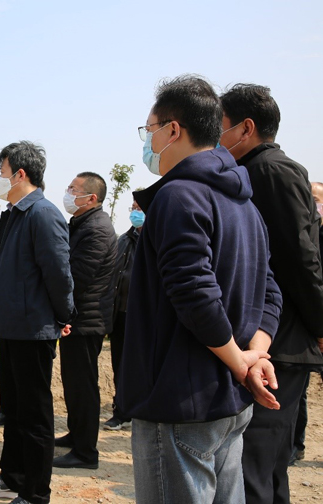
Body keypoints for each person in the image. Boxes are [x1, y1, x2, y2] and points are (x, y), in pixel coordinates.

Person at [117, 75, 282, 504]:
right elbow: (270, 291)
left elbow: (194, 294)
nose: (148, 142)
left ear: (173, 129)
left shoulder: (178, 195)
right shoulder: (244, 203)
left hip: (180, 401)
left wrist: (243, 363)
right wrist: (255, 355)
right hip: (229, 399)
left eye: (149, 130)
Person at [219, 84, 323, 504]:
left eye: (220, 125)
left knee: (255, 466)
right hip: (270, 338)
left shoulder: (271, 172)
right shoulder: (254, 170)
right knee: (265, 465)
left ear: (246, 128)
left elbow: (300, 258)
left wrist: (320, 325)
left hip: (278, 342)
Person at [0, 141, 75, 504]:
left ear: (19, 174)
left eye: (2, 172)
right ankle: (12, 477)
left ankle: (35, 493)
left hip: (32, 329)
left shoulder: (42, 214)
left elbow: (59, 273)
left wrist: (64, 315)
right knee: (13, 411)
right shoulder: (14, 213)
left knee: (34, 416)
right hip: (12, 326)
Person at [53, 172, 116, 470]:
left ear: (91, 198)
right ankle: (76, 435)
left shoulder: (98, 228)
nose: (68, 193)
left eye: (73, 189)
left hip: (87, 320)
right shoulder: (81, 223)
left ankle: (86, 452)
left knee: (83, 386)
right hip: (78, 318)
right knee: (74, 383)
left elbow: (77, 276)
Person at [101, 196, 143, 431]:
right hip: (121, 314)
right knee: (120, 364)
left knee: (142, 366)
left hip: (144, 318)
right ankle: (122, 412)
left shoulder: (157, 239)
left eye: (140, 208)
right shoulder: (124, 240)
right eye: (133, 208)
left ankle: (141, 411)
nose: (135, 212)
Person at [290, 181, 323, 465]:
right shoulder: (306, 234)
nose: (313, 203)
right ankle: (296, 444)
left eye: (317, 198)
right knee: (298, 390)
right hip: (310, 321)